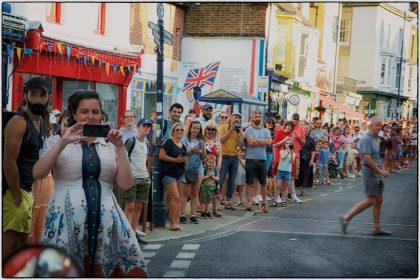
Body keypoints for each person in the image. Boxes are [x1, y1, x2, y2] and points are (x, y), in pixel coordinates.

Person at [32, 90, 147, 277]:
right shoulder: (57, 141)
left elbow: (126, 184)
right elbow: (38, 173)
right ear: (74, 114)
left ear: (101, 114)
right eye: (84, 111)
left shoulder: (110, 144)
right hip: (65, 222)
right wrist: (62, 142)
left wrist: (120, 147)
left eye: (95, 111)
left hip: (108, 224)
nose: (91, 116)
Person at [2, 77, 51, 260]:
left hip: (27, 190)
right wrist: (16, 195)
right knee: (10, 244)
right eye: (33, 94)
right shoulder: (19, 121)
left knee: (21, 243)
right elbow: (8, 162)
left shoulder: (38, 123)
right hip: (14, 191)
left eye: (42, 94)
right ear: (26, 96)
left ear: (49, 98)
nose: (38, 99)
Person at [339, 117, 390, 236]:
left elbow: (376, 156)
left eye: (380, 125)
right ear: (370, 125)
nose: (378, 127)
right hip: (370, 172)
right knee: (371, 199)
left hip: (376, 171)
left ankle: (377, 228)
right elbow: (367, 158)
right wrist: (380, 171)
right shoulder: (366, 138)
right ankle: (346, 218)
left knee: (379, 200)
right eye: (377, 125)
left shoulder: (375, 138)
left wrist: (381, 169)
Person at [124, 118, 153, 244]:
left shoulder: (147, 143)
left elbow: (145, 160)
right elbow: (123, 158)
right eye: (144, 125)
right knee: (129, 206)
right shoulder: (131, 141)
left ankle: (134, 233)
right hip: (132, 178)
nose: (146, 128)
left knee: (139, 207)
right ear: (139, 127)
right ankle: (127, 234)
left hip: (144, 179)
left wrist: (147, 176)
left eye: (148, 126)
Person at [159, 123, 187, 231]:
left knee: (178, 198)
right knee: (175, 197)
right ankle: (172, 223)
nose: (179, 131)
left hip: (180, 173)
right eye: (177, 130)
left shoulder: (183, 144)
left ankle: (176, 221)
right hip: (168, 173)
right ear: (173, 132)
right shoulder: (169, 142)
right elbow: (161, 156)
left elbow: (183, 157)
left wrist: (184, 160)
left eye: (181, 130)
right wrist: (175, 160)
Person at [244, 110, 272, 212]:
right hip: (250, 159)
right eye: (255, 116)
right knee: (249, 182)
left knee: (263, 183)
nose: (257, 118)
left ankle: (264, 203)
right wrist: (262, 142)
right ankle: (249, 202)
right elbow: (250, 143)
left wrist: (258, 141)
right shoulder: (248, 130)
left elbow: (269, 142)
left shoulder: (266, 131)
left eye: (259, 116)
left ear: (261, 118)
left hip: (262, 159)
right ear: (252, 118)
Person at [180, 121, 205, 225]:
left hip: (198, 168)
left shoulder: (201, 141)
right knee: (185, 193)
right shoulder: (185, 140)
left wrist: (203, 150)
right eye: (194, 128)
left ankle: (193, 215)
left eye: (198, 129)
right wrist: (192, 150)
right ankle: (182, 215)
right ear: (190, 129)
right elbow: (182, 154)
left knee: (195, 193)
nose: (196, 130)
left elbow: (204, 158)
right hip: (187, 168)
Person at [218, 111, 244, 210]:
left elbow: (241, 146)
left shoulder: (240, 131)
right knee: (221, 178)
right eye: (235, 117)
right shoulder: (224, 127)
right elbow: (221, 140)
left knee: (232, 180)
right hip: (224, 155)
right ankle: (215, 199)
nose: (236, 119)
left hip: (234, 157)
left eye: (238, 117)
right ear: (231, 118)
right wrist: (230, 130)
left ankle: (228, 201)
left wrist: (238, 135)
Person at [203, 121, 222, 217]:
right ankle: (204, 210)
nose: (210, 131)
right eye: (209, 129)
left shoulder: (217, 140)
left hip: (214, 167)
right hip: (204, 167)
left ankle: (215, 209)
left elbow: (219, 154)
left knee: (216, 188)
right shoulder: (202, 139)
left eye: (213, 129)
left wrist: (219, 165)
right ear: (205, 130)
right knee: (204, 188)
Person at [274, 138, 295, 207]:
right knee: (278, 186)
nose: (288, 144)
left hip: (288, 171)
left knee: (285, 187)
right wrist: (288, 153)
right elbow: (282, 158)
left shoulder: (293, 153)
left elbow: (292, 162)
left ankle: (284, 201)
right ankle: (275, 200)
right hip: (280, 170)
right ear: (285, 144)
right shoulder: (282, 151)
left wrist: (291, 154)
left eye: (290, 143)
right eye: (287, 143)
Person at [296, 123, 316, 196]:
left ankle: (302, 190)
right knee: (297, 174)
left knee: (305, 174)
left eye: (307, 129)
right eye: (304, 129)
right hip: (299, 157)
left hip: (307, 158)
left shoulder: (311, 140)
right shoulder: (298, 138)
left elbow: (313, 151)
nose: (306, 130)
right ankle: (293, 191)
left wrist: (311, 160)